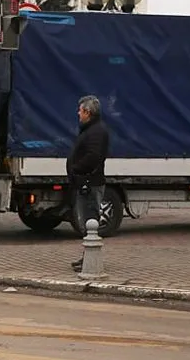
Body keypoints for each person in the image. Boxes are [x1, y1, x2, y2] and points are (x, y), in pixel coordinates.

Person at [68, 95, 110, 272]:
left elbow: (93, 156)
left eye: (80, 110)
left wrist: (76, 168)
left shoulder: (96, 132)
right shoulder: (91, 129)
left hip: (89, 183)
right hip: (86, 181)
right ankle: (87, 257)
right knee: (86, 221)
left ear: (88, 112)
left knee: (90, 220)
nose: (78, 113)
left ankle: (91, 260)